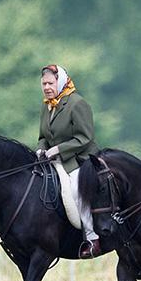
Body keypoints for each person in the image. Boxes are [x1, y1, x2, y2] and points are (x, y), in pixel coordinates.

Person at [36, 64, 101, 259]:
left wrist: (57, 150)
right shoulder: (47, 105)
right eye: (44, 84)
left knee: (75, 190)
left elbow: (84, 138)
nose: (46, 87)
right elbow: (43, 136)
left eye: (50, 83)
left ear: (60, 81)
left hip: (80, 160)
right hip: (54, 159)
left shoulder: (77, 103)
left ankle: (92, 238)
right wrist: (41, 148)